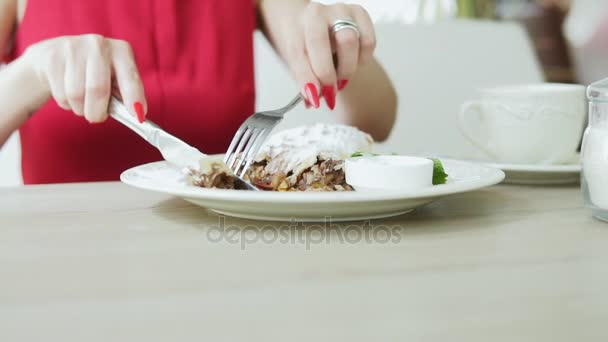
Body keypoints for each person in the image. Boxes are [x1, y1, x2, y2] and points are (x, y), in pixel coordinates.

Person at [0, 0, 397, 184]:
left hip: (221, 252)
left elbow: (375, 119)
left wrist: (337, 40)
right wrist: (32, 71)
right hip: (62, 260)